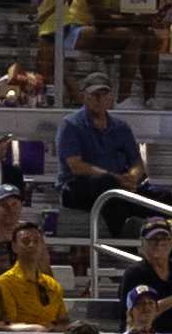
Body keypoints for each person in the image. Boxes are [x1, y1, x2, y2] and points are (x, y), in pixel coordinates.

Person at [56, 76, 150, 237]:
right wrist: (114, 177)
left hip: (118, 184)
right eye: (94, 95)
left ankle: (171, 253)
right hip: (78, 186)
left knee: (161, 196)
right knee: (109, 188)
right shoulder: (71, 124)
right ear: (84, 96)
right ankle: (127, 245)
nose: (99, 99)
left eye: (104, 94)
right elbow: (76, 165)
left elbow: (136, 163)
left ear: (110, 97)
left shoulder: (121, 127)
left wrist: (132, 178)